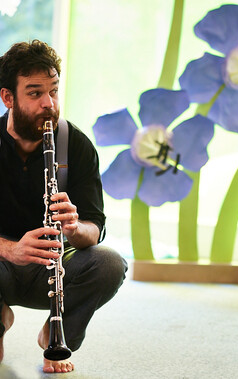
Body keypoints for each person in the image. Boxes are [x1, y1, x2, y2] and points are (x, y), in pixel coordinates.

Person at [0, 40, 128, 373]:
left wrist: (75, 227)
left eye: (53, 91)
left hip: (55, 265)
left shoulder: (76, 145)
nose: (49, 104)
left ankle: (59, 333)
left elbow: (94, 228)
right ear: (7, 98)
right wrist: (12, 250)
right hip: (1, 264)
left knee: (110, 263)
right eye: (35, 93)